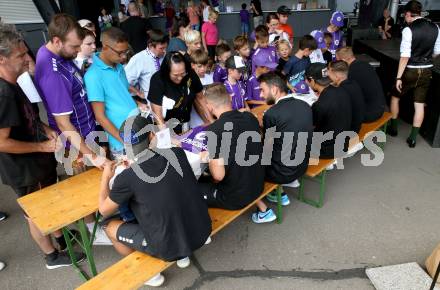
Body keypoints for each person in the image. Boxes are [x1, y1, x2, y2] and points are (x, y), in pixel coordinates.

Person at [0, 22, 85, 269]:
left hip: (37, 163)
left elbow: (30, 118)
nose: (27, 59)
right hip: (25, 168)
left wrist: (47, 131)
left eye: (26, 52)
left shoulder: (14, 81)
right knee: (36, 213)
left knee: (50, 204)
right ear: (2, 59)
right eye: (20, 55)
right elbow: (1, 142)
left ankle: (60, 236)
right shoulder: (3, 93)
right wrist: (41, 148)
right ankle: (51, 256)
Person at [99, 115, 211, 287]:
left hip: (167, 246)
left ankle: (148, 273)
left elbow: (103, 210)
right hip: (201, 230)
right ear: (152, 136)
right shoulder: (177, 153)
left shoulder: (127, 177)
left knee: (108, 226)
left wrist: (105, 177)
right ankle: (183, 255)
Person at [35, 14, 108, 169]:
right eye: (75, 47)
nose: (77, 51)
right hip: (78, 148)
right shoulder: (54, 75)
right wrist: (92, 156)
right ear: (57, 41)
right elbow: (63, 123)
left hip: (88, 133)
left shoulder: (54, 52)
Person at [198, 84, 274, 221]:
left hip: (235, 197)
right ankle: (263, 209)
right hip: (258, 184)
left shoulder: (214, 131)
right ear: (230, 99)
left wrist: (210, 158)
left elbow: (218, 176)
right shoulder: (250, 117)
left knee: (191, 189)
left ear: (209, 106)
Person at [257, 72, 313, 209]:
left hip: (282, 173)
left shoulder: (272, 113)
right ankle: (279, 192)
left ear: (274, 89)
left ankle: (276, 194)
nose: (261, 95)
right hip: (302, 166)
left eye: (262, 90)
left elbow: (267, 150)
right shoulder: (304, 104)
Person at [388, 0, 440, 148]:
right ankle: (413, 138)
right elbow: (437, 52)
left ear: (409, 14)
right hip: (427, 70)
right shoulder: (435, 27)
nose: (405, 18)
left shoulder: (408, 30)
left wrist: (398, 77)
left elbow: (405, 56)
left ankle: (393, 129)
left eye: (405, 15)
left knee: (395, 97)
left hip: (410, 70)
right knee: (419, 105)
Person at [85, 27, 140, 160]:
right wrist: (124, 140)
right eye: (120, 52)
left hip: (136, 130)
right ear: (105, 47)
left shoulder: (119, 66)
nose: (124, 56)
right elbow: (100, 116)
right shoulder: (93, 75)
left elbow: (122, 94)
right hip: (121, 143)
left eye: (125, 52)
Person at [148, 52, 213, 132]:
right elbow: (157, 114)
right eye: (175, 75)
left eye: (182, 74)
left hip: (185, 125)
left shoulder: (190, 74)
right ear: (167, 71)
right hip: (165, 127)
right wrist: (168, 137)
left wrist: (210, 120)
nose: (179, 78)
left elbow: (200, 98)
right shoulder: (157, 80)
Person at [305, 63, 352, 160]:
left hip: (327, 150)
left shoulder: (320, 105)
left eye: (307, 80)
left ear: (312, 81)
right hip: (343, 144)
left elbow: (311, 126)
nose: (306, 83)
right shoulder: (342, 91)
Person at [336, 47, 386, 124]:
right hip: (381, 108)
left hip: (369, 114)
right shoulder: (366, 64)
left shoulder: (352, 72)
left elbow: (344, 95)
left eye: (337, 61)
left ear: (343, 61)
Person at [125, 29, 168, 101]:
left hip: (167, 98)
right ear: (151, 46)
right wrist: (138, 93)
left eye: (165, 47)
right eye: (161, 48)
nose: (164, 51)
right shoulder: (138, 59)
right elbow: (124, 81)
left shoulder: (165, 55)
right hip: (151, 101)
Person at [328, 60, 365, 134]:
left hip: (349, 130)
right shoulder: (353, 83)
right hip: (357, 124)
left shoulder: (341, 91)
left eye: (329, 71)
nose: (328, 75)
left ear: (336, 76)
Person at [189, 49, 213, 128]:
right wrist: (207, 120)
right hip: (196, 120)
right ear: (192, 65)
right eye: (200, 66)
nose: (203, 69)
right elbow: (197, 103)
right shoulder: (191, 81)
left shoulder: (210, 78)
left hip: (210, 114)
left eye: (205, 65)